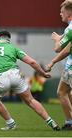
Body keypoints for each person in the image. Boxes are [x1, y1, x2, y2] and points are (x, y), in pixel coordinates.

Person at [0, 30, 60, 131]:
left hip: (0, 79)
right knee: (30, 100)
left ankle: (11, 123)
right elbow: (32, 62)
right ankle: (50, 121)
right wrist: (43, 73)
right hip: (15, 76)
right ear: (8, 39)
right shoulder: (13, 48)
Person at [46, 0, 72, 130]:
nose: (60, 14)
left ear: (69, 14)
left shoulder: (70, 28)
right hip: (69, 68)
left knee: (63, 93)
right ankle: (69, 122)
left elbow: (58, 48)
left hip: (71, 69)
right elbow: (68, 49)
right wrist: (53, 62)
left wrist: (57, 40)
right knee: (63, 92)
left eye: (62, 12)